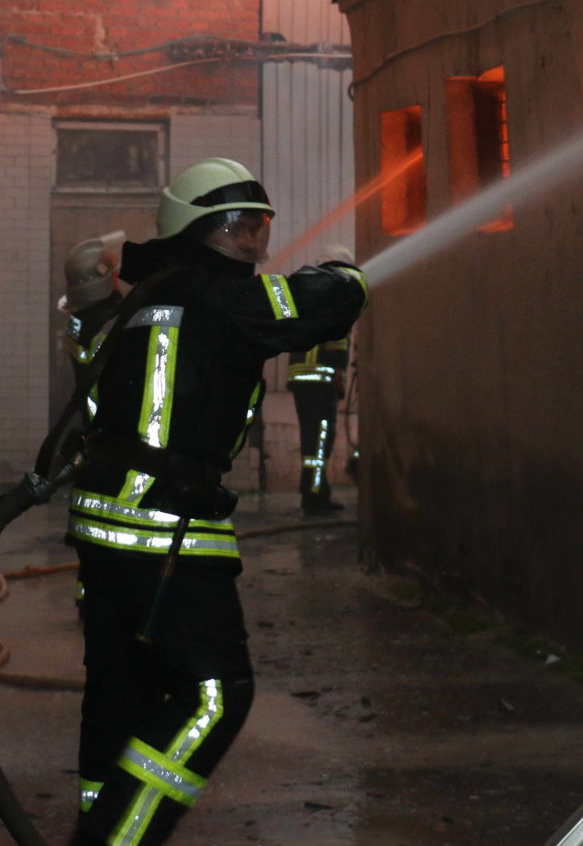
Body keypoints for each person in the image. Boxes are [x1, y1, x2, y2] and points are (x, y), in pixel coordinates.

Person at [68, 158, 367, 845]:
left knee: (122, 695)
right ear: (193, 232)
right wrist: (348, 272)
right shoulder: (217, 300)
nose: (254, 242)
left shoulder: (138, 303)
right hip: (162, 531)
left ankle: (99, 818)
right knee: (214, 695)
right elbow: (320, 302)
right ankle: (115, 841)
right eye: (235, 227)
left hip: (104, 531)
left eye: (259, 227)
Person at [286, 247, 353, 515]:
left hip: (302, 380)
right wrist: (338, 371)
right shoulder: (334, 300)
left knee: (311, 439)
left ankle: (313, 492)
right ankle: (316, 497)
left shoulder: (308, 297)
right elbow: (336, 340)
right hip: (321, 381)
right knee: (321, 440)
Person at [58, 231, 127, 426]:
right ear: (99, 280)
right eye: (112, 272)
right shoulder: (108, 321)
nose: (116, 274)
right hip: (112, 422)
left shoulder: (79, 318)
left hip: (93, 420)